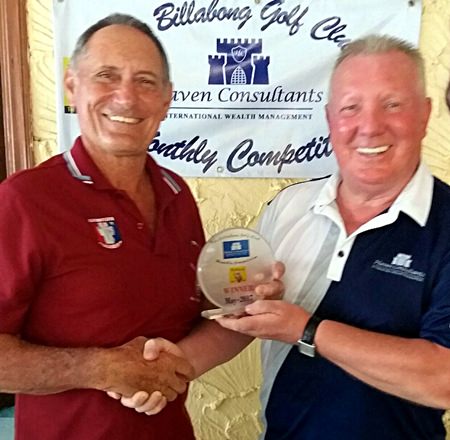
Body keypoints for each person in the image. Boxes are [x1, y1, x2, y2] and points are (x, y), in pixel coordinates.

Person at [127, 35, 450, 439]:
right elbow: (243, 318)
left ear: (424, 115)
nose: (369, 126)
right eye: (351, 107)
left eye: (392, 105)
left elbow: (442, 379)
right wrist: (172, 367)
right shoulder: (289, 207)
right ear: (331, 119)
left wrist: (306, 330)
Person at [0, 13, 283, 440]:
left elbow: (210, 322)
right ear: (73, 87)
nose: (127, 98)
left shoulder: (177, 195)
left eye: (146, 81)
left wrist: (250, 307)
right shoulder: (25, 200)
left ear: (166, 100)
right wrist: (100, 368)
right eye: (106, 76)